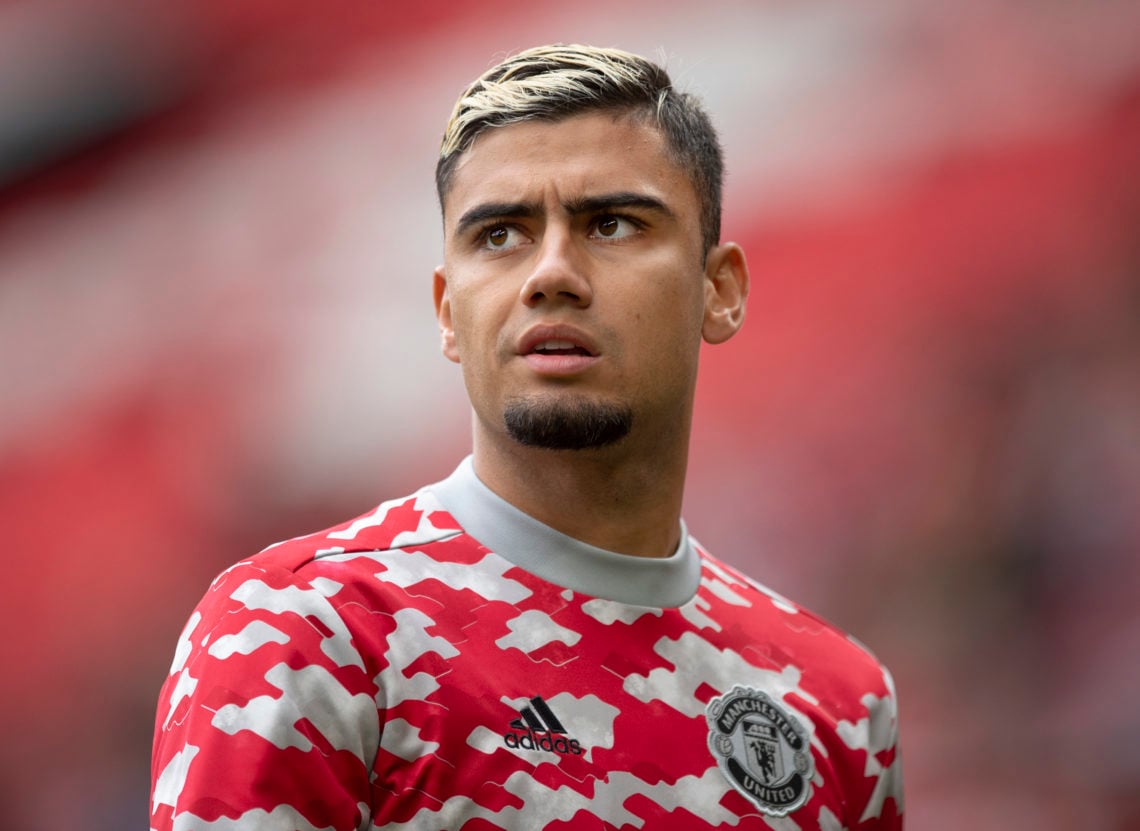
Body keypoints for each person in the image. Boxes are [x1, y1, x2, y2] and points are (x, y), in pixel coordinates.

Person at [150, 44, 903, 830]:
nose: (550, 272)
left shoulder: (839, 709)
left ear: (719, 291)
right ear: (447, 310)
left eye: (610, 223)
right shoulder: (309, 632)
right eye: (501, 235)